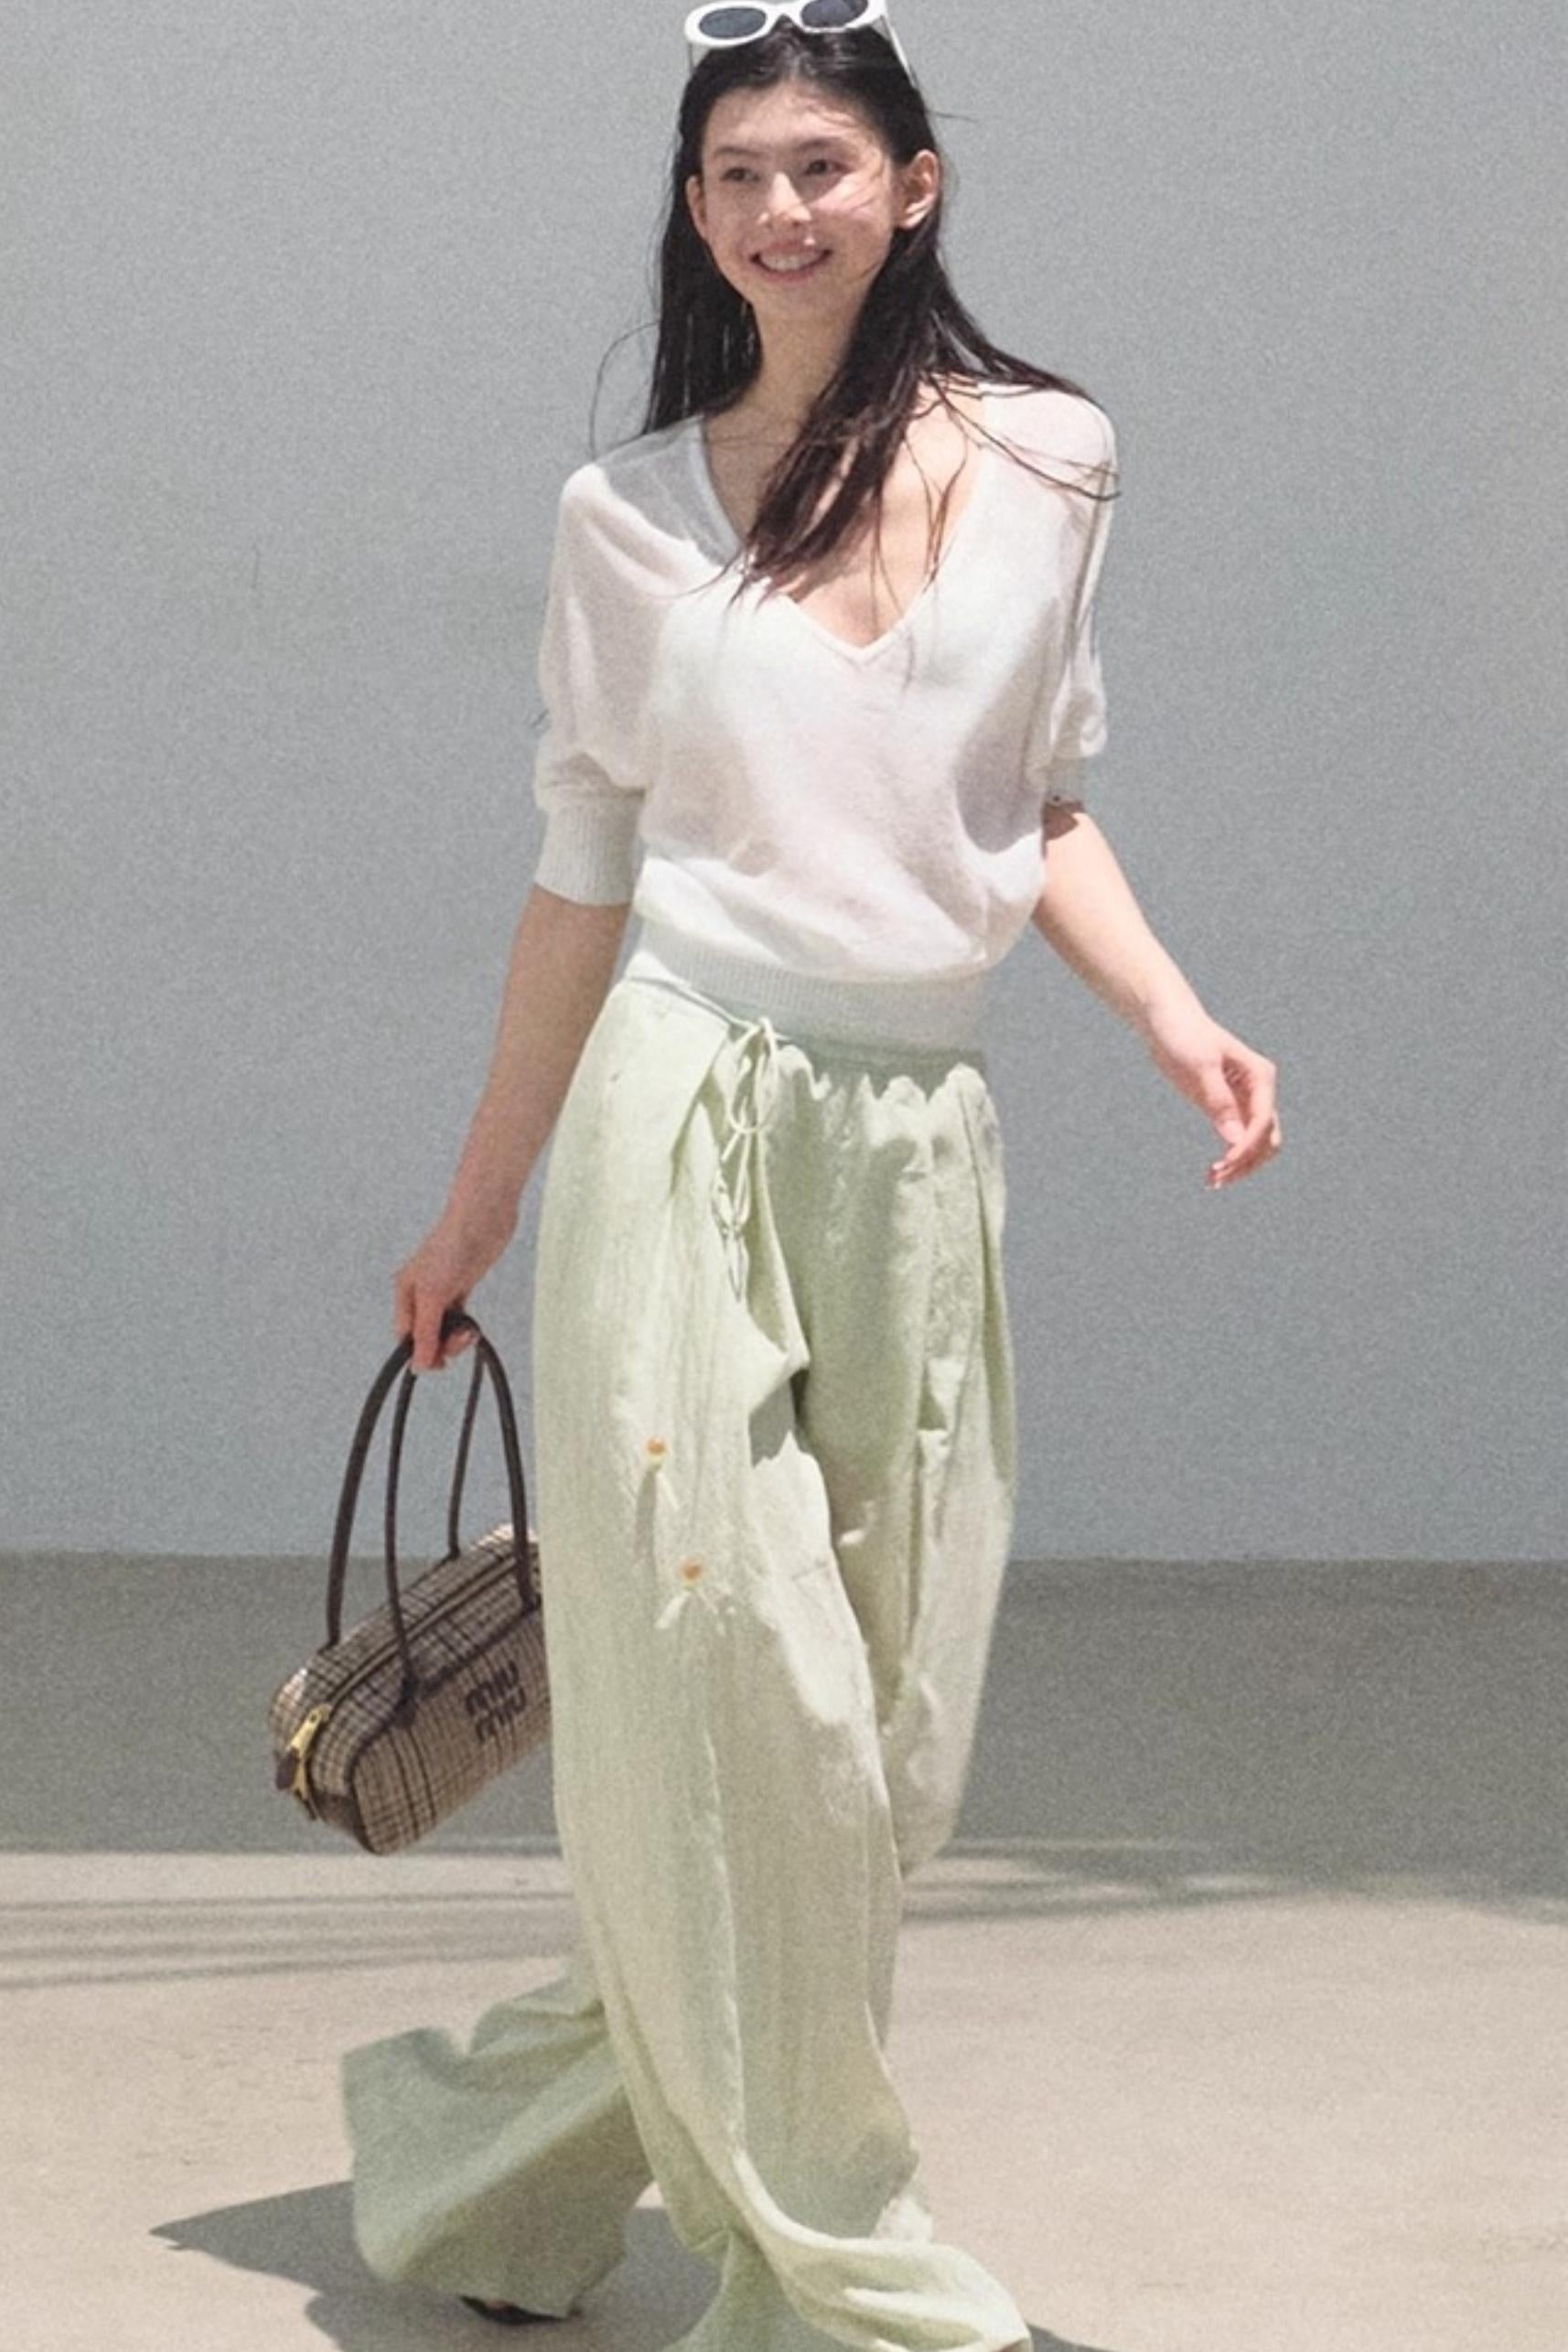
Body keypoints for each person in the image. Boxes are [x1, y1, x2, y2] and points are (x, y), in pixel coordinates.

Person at [338, 6, 1283, 2348]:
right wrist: (475, 1207)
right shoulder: (626, 514)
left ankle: (477, 2164)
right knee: (736, 1699)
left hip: (910, 1143)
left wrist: (1168, 1014)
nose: (779, 207)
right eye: (737, 173)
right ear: (694, 208)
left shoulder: (1051, 457)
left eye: (820, 166)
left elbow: (1032, 801)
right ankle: (855, 2281)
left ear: (912, 186)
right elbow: (582, 875)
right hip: (681, 1118)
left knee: (873, 1753)